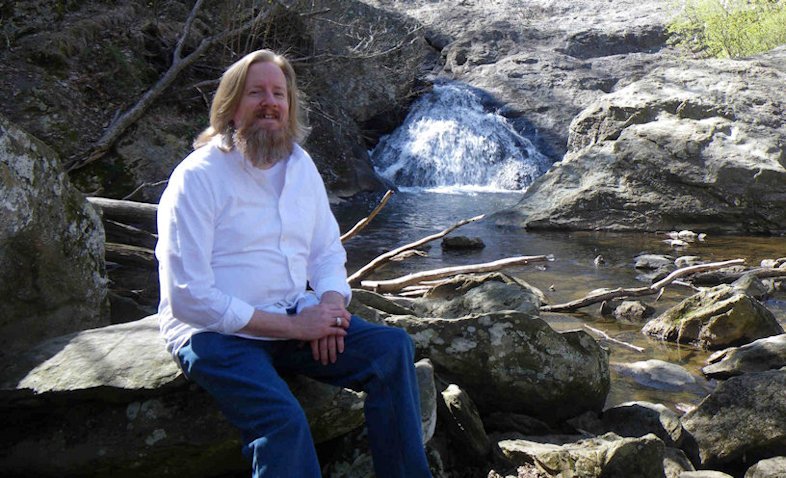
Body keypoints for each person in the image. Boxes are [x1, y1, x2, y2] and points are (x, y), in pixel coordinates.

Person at [155, 49, 432, 478]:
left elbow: (325, 254)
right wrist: (297, 327)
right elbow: (189, 298)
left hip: (291, 318)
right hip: (216, 336)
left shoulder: (301, 167)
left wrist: (331, 309)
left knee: (391, 350)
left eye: (278, 93)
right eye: (256, 93)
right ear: (230, 107)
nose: (270, 102)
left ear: (290, 106)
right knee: (283, 421)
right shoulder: (197, 178)